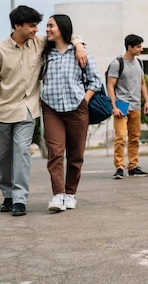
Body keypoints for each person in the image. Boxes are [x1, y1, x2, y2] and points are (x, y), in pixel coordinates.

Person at [0, 5, 86, 217]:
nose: (37, 30)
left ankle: (19, 199)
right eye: (32, 26)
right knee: (5, 157)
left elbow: (66, 34)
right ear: (17, 26)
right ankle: (8, 195)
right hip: (1, 113)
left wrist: (79, 44)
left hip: (28, 111)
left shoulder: (38, 44)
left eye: (38, 25)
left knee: (22, 154)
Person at [40, 14, 103, 212]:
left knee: (76, 156)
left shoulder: (81, 53)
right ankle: (58, 195)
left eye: (51, 26)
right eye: (47, 26)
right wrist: (78, 42)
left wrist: (83, 101)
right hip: (51, 109)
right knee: (55, 153)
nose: (47, 29)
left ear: (62, 28)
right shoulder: (44, 53)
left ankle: (70, 193)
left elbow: (95, 81)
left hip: (77, 109)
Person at [107, 34, 148, 179]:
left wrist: (147, 101)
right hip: (121, 104)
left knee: (134, 138)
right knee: (120, 137)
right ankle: (119, 167)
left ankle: (133, 167)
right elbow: (110, 86)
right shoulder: (117, 63)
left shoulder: (139, 62)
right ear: (130, 47)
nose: (141, 49)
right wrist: (114, 106)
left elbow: (142, 83)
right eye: (138, 46)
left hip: (136, 105)